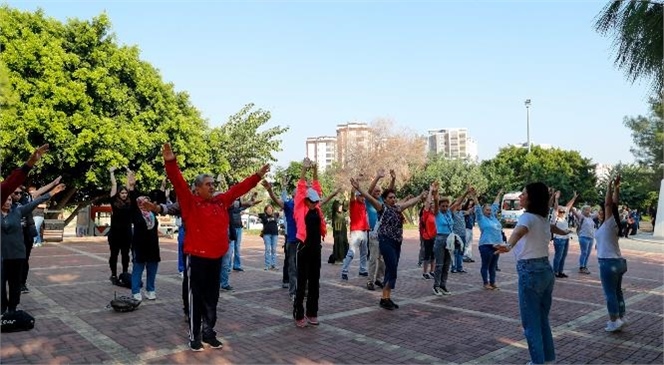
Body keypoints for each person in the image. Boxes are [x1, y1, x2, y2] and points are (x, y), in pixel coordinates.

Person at [162, 143, 268, 351]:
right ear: (198, 188)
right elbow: (178, 181)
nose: (212, 187)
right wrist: (170, 162)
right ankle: (195, 336)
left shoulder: (221, 201)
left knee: (212, 297)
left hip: (216, 257)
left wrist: (257, 176)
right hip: (197, 257)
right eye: (208, 184)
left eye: (213, 184)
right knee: (196, 297)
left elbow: (239, 189)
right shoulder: (190, 202)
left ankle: (209, 332)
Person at [496, 182, 571, 365]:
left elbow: (519, 232)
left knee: (530, 324)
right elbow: (552, 228)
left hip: (530, 273)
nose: (520, 197)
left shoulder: (527, 217)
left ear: (531, 198)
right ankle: (548, 358)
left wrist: (508, 245)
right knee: (542, 319)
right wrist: (565, 231)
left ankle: (538, 361)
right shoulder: (542, 218)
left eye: (523, 194)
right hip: (546, 271)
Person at [351, 177, 425, 310]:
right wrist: (358, 188)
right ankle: (384, 298)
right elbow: (369, 197)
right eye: (390, 197)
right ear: (385, 199)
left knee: (392, 268)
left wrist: (420, 196)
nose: (393, 199)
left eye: (394, 197)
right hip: (386, 241)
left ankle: (386, 297)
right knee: (392, 268)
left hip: (397, 243)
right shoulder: (382, 207)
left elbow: (409, 203)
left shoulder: (397, 208)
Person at [2, 183, 65, 314]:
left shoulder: (18, 211)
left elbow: (35, 202)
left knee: (15, 284)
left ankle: (13, 308)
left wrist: (52, 193)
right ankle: (2, 308)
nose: (8, 202)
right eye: (5, 199)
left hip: (17, 254)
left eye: (9, 199)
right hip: (2, 256)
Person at [292, 158, 326, 327]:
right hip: (303, 248)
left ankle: (312, 313)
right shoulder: (300, 206)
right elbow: (300, 188)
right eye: (311, 201)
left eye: (316, 201)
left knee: (315, 282)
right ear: (305, 200)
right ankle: (299, 314)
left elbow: (317, 186)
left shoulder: (317, 208)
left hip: (316, 249)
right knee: (302, 282)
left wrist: (315, 170)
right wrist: (304, 169)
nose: (314, 203)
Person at [596, 175, 628, 332]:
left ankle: (614, 320)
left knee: (610, 293)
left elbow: (610, 203)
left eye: (601, 210)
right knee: (617, 292)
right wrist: (617, 187)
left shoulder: (609, 223)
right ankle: (621, 317)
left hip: (608, 263)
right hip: (618, 262)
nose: (600, 212)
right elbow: (614, 204)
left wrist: (608, 185)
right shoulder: (612, 223)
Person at [107, 167, 135, 284]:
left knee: (125, 255)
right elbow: (114, 184)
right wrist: (112, 172)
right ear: (118, 194)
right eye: (122, 193)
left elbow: (131, 186)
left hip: (126, 233)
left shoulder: (130, 202)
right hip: (115, 233)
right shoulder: (114, 201)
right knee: (114, 254)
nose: (124, 194)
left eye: (125, 193)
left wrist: (129, 175)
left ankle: (124, 273)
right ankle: (113, 274)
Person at [131, 195, 161, 301]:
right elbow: (131, 196)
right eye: (143, 202)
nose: (145, 204)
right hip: (139, 245)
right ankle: (135, 291)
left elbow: (159, 198)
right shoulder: (136, 213)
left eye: (147, 202)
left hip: (153, 245)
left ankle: (150, 290)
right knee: (138, 268)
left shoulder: (152, 213)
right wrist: (131, 187)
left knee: (152, 268)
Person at [551, 191, 577, 278]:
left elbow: (568, 206)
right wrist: (556, 198)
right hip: (558, 239)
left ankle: (560, 271)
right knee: (558, 256)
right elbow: (555, 207)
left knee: (563, 256)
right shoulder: (555, 217)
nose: (562, 212)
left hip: (565, 238)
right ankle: (555, 272)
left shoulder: (564, 217)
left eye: (563, 211)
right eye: (561, 211)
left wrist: (574, 198)